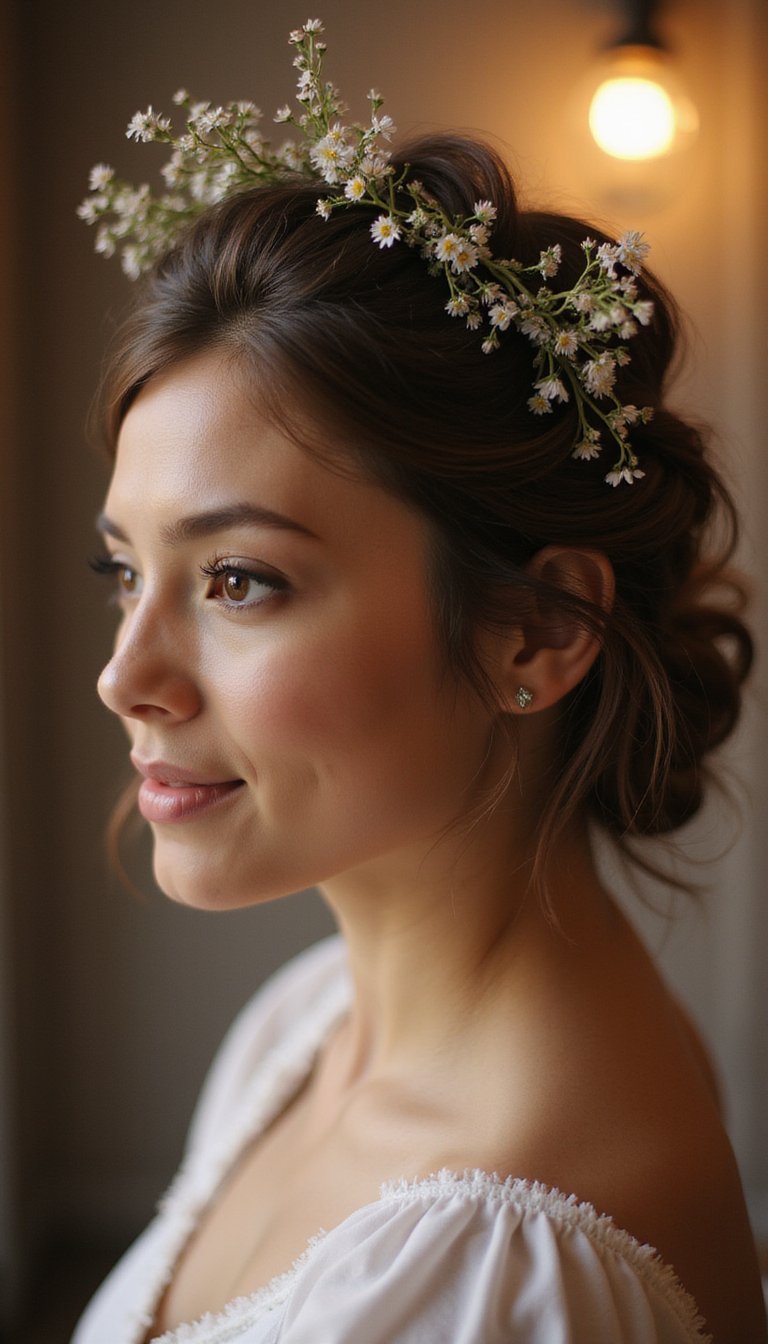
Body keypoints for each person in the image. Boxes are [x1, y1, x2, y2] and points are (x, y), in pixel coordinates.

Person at [73, 20, 766, 1344]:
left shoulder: (498, 1269)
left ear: (535, 633)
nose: (126, 676)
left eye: (238, 581)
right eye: (125, 572)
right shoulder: (307, 1023)